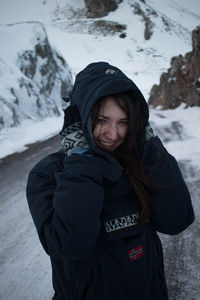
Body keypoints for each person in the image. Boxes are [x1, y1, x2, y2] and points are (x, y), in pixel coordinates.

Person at [26, 61, 195, 300]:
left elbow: (177, 220)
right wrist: (81, 158)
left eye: (124, 122)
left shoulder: (139, 161)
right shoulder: (49, 173)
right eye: (102, 120)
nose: (113, 134)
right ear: (81, 116)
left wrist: (147, 145)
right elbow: (71, 245)